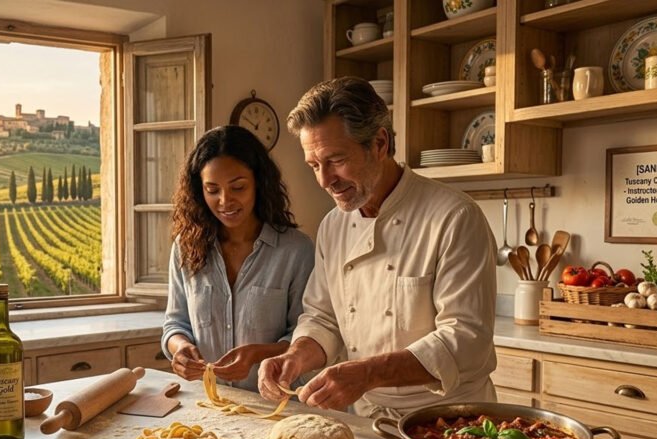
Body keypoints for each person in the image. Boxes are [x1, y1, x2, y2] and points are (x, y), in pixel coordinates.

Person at [257, 77, 497, 418]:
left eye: (336, 160)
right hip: (370, 419)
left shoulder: (454, 217)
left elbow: (466, 339)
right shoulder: (333, 226)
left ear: (379, 143)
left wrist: (367, 373)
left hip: (450, 420)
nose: (325, 180)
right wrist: (294, 357)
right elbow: (323, 318)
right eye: (314, 165)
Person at [163, 125, 315, 392]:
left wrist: (257, 354)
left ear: (258, 182)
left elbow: (308, 335)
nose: (225, 201)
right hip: (209, 403)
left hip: (276, 405)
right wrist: (180, 347)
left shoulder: (296, 251)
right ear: (200, 191)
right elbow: (176, 323)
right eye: (212, 190)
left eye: (238, 187)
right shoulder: (185, 248)